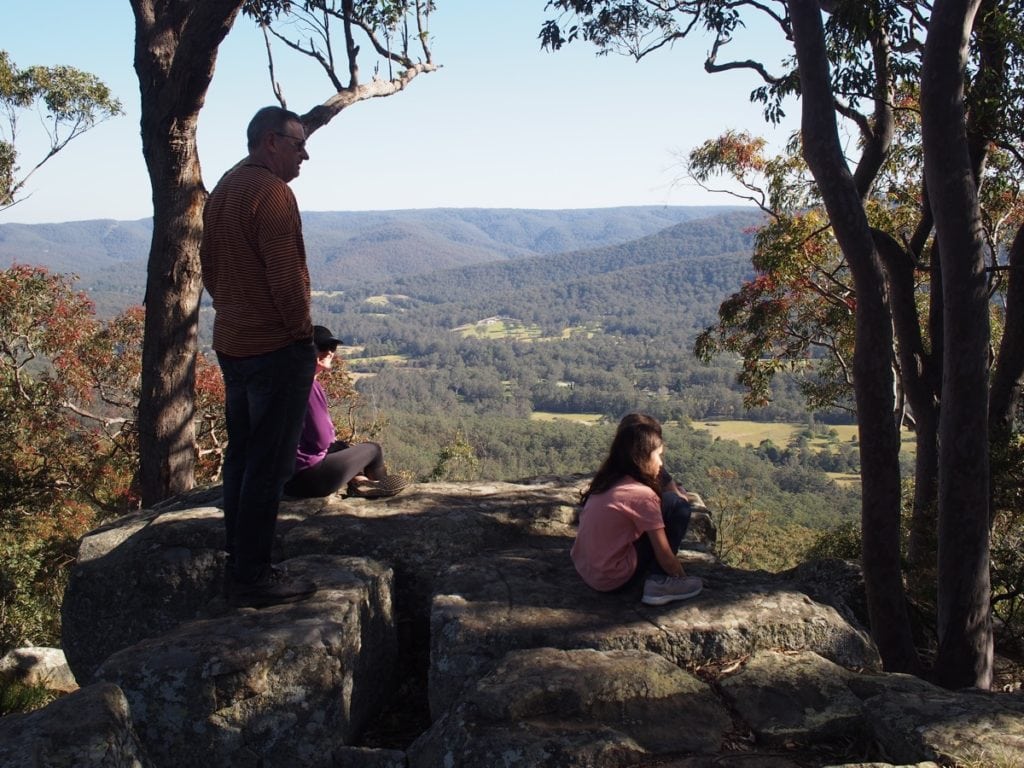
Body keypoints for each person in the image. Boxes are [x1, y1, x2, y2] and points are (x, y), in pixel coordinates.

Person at [200, 106, 318, 608]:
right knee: (269, 466)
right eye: (297, 144)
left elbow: (208, 268)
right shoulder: (272, 192)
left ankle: (239, 559)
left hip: (234, 342)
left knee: (244, 457)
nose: (305, 154)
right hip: (274, 347)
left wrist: (234, 311)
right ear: (270, 141)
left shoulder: (223, 190)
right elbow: (286, 276)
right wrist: (300, 336)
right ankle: (253, 576)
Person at [571, 413, 703, 606]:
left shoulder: (609, 480)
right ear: (642, 457)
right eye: (658, 455)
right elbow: (664, 554)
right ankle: (659, 585)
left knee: (671, 501)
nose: (661, 463)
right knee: (678, 506)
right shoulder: (641, 495)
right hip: (613, 579)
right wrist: (681, 577)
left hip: (588, 571)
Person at [283, 325, 408, 499]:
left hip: (282, 476)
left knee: (339, 446)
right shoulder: (307, 387)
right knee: (373, 449)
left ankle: (360, 482)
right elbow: (322, 439)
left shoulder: (286, 381)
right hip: (307, 478)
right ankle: (380, 494)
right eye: (322, 347)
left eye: (332, 347)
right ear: (304, 352)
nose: (329, 352)